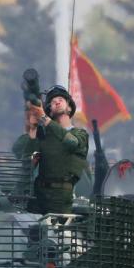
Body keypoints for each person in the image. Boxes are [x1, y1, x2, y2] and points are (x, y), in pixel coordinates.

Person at [25, 85, 89, 215]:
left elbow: (72, 143)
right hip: (38, 196)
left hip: (60, 198)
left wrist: (44, 118)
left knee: (57, 233)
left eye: (60, 99)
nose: (57, 102)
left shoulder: (80, 134)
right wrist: (32, 127)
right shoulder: (44, 136)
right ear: (50, 110)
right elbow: (24, 156)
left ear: (69, 107)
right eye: (53, 102)